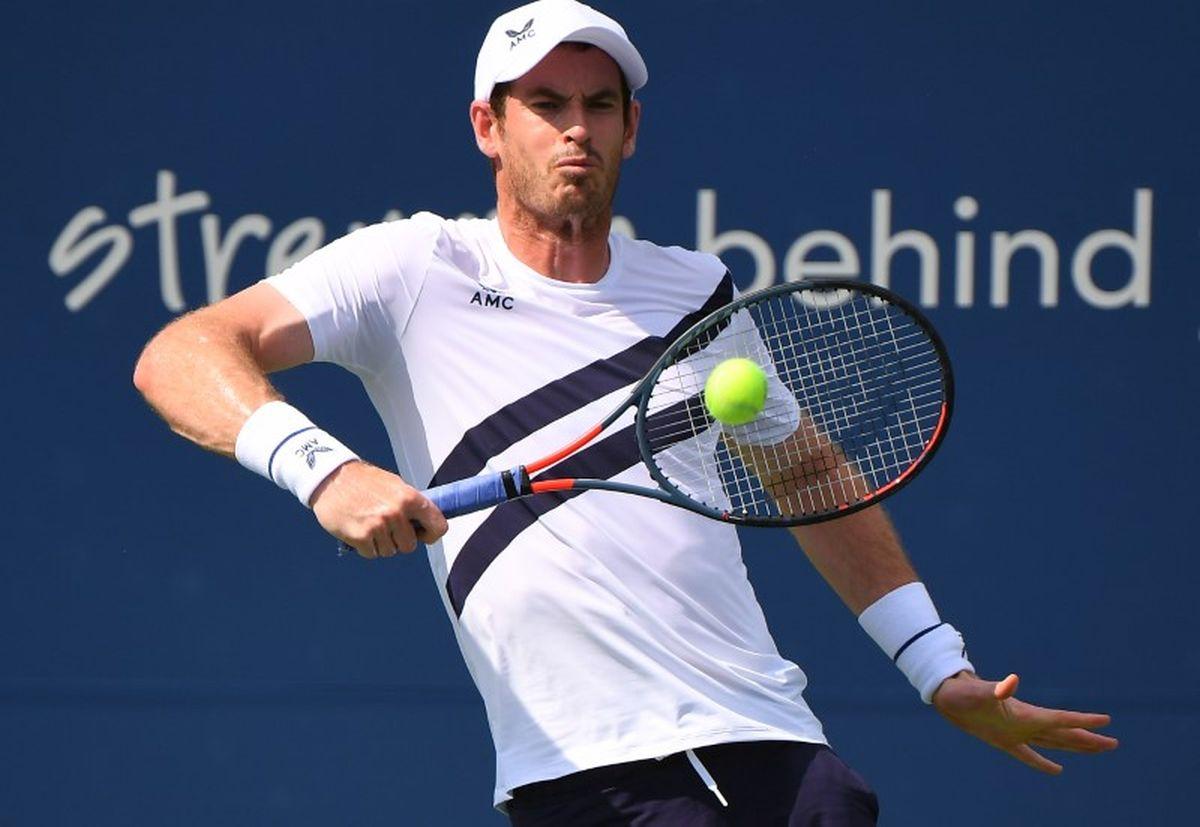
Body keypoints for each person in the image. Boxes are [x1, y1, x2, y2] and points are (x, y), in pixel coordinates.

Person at [132, 1, 1118, 823]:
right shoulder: (412, 267)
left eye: (601, 105)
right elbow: (183, 352)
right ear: (488, 125)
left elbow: (807, 473)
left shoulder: (694, 290)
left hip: (775, 751)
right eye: (547, 103)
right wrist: (325, 470)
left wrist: (939, 666)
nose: (577, 128)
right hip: (585, 777)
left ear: (630, 129)